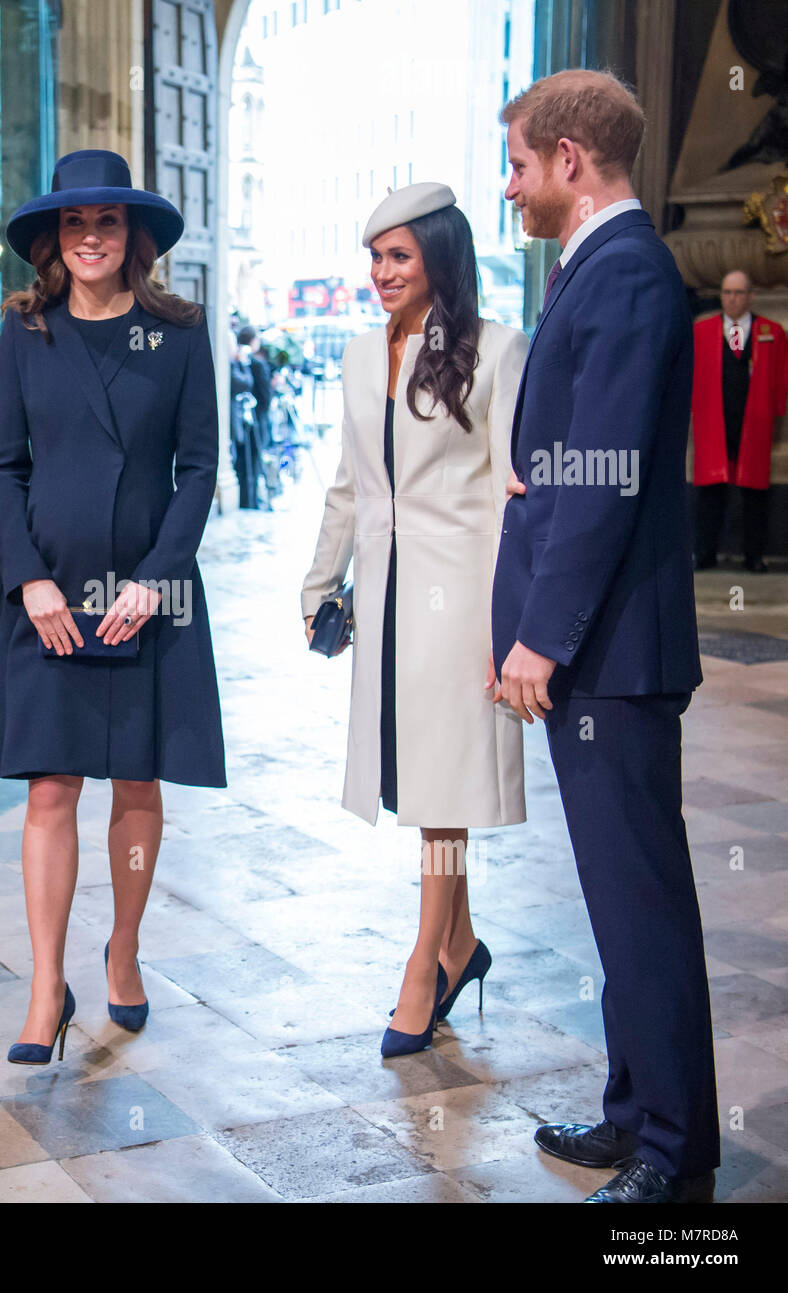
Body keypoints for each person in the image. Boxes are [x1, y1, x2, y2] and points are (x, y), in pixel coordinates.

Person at [494, 69, 718, 1204]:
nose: (513, 184)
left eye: (522, 163)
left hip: (609, 652)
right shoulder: (597, 269)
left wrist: (540, 638)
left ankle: (678, 1163)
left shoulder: (625, 273)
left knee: (642, 905)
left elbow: (601, 480)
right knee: (617, 901)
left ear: (571, 161)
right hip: (599, 648)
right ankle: (636, 1115)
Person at [0, 149, 225, 1063]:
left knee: (136, 783)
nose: (92, 237)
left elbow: (198, 471)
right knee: (51, 787)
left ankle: (126, 949)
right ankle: (44, 988)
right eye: (75, 223)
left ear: (133, 236)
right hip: (49, 596)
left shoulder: (179, 333)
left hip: (148, 594)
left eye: (107, 222)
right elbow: (6, 464)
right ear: (54, 242)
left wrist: (157, 576)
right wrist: (25, 575)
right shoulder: (26, 331)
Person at [301, 181, 527, 1060]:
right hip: (388, 599)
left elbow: (516, 495)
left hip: (464, 598)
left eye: (399, 255)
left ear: (439, 255)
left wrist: (514, 623)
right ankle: (463, 945)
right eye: (375, 258)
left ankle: (423, 967)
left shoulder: (499, 351)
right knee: (425, 779)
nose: (382, 273)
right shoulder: (362, 355)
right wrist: (321, 585)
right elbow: (350, 483)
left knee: (439, 795)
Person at [691, 270, 786, 573]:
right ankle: (705, 553)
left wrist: (775, 414)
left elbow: (781, 380)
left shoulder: (771, 331)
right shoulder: (702, 332)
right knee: (710, 494)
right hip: (713, 422)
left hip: (753, 423)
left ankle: (754, 556)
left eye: (738, 293)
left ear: (750, 296)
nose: (732, 299)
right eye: (727, 293)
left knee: (755, 494)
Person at [229, 325, 272, 509]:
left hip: (247, 418)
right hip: (252, 419)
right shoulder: (252, 364)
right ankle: (250, 501)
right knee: (251, 463)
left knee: (248, 463)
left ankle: (251, 500)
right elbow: (264, 394)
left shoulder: (248, 362)